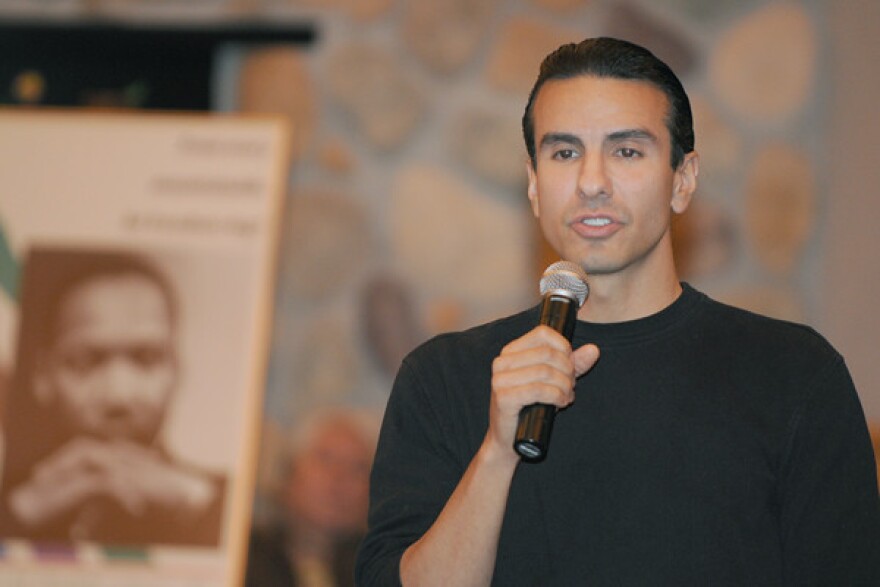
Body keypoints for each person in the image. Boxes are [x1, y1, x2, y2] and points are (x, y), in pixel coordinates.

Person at [355, 37, 880, 586]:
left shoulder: (793, 375)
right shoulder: (443, 379)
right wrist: (495, 454)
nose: (592, 182)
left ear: (683, 180)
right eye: (564, 153)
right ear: (534, 184)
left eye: (626, 151)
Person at [0, 247, 225, 547]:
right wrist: (15, 515)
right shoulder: (12, 504)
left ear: (176, 369)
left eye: (146, 358)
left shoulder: (224, 506)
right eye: (85, 361)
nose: (118, 396)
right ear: (43, 375)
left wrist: (205, 507)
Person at [245, 407, 378, 587]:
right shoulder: (243, 555)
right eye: (325, 458)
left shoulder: (382, 568)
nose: (339, 477)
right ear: (288, 472)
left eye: (357, 467)